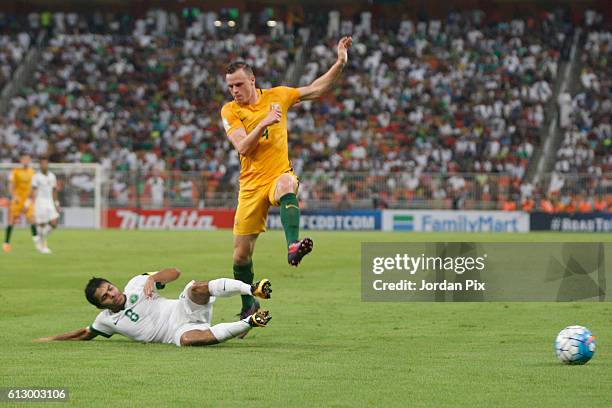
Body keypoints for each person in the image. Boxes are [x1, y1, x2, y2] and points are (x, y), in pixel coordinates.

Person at [221, 36, 352, 319]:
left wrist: (339, 63)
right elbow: (243, 146)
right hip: (250, 186)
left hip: (277, 174)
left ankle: (293, 246)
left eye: (239, 84)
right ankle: (247, 304)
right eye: (230, 86)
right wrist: (265, 123)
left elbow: (316, 89)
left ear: (253, 80)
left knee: (287, 184)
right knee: (241, 256)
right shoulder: (230, 111)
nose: (234, 90)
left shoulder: (278, 95)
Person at [34, 268, 273, 347]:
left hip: (180, 310)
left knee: (195, 288)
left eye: (110, 288)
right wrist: (50, 340)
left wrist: (153, 277)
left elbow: (175, 272)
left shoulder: (138, 283)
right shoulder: (105, 320)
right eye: (105, 297)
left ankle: (252, 289)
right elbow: (84, 333)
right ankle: (250, 321)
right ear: (100, 305)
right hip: (175, 334)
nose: (112, 294)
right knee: (191, 341)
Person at [3, 153, 40, 253]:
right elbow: (10, 185)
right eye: (24, 159)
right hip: (17, 200)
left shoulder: (32, 173)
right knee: (11, 221)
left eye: (27, 159)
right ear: (21, 160)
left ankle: (38, 244)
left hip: (27, 200)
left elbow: (34, 189)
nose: (25, 161)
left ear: (29, 160)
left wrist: (29, 202)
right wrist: (14, 196)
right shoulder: (15, 171)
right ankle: (6, 243)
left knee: (32, 220)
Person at [31, 158, 60, 254]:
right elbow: (33, 191)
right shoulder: (36, 177)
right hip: (40, 202)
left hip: (50, 201)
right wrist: (32, 203)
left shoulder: (52, 176)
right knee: (42, 224)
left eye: (45, 163)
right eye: (42, 164)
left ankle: (40, 237)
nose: (44, 165)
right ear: (40, 165)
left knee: (54, 223)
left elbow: (54, 190)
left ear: (48, 165)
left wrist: (56, 203)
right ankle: (43, 246)